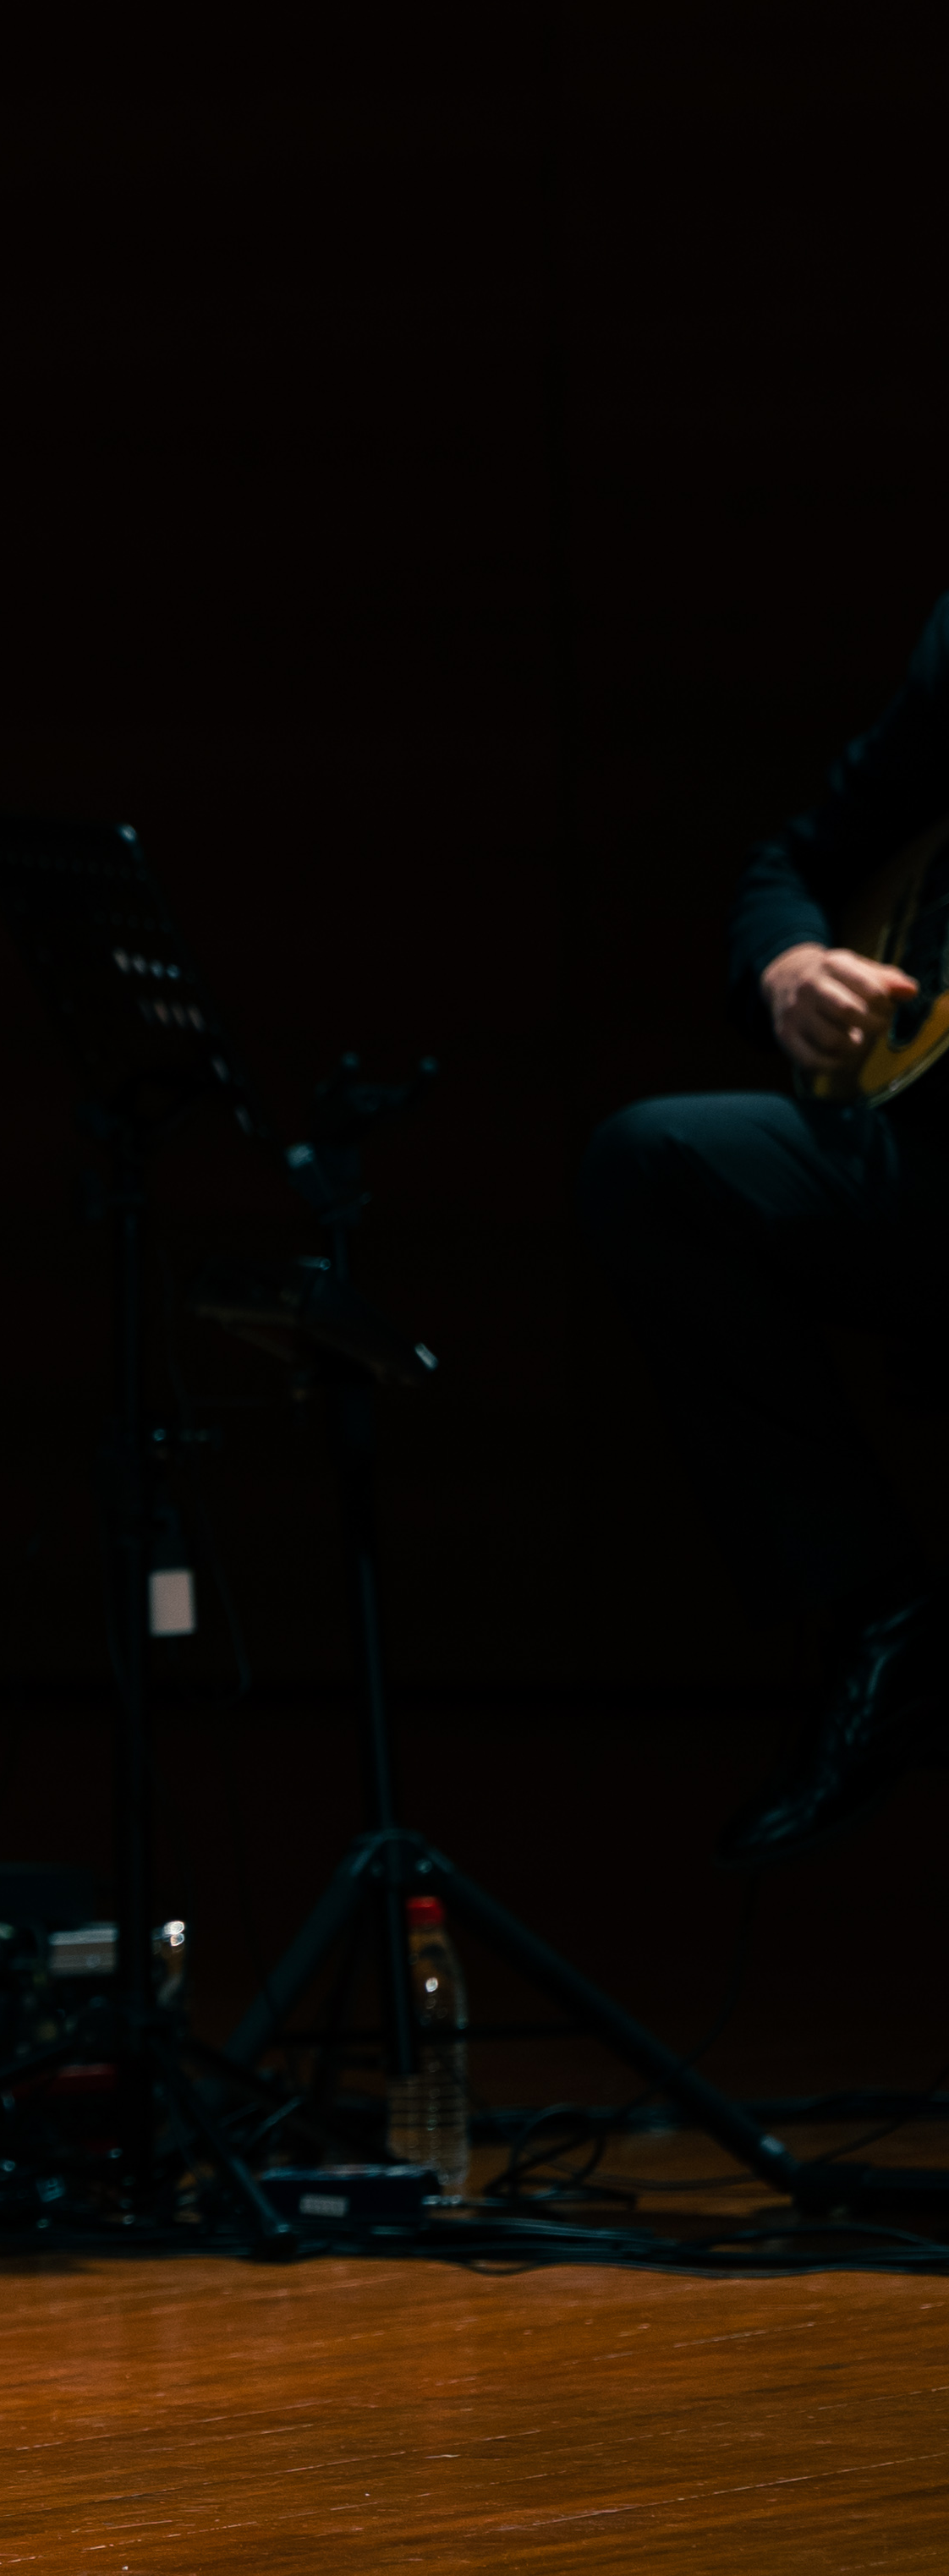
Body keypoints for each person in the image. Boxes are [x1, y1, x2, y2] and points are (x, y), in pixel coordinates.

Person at [579, 595, 942, 1866]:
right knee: (656, 1165)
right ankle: (882, 1619)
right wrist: (790, 969)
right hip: (924, 1159)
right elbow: (798, 860)